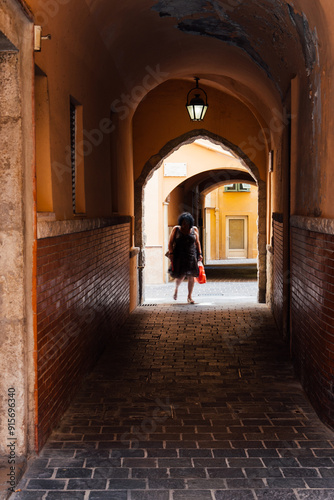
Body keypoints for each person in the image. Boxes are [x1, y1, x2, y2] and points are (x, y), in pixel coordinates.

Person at [167, 212, 203, 304]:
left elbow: (197, 242)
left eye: (186, 223)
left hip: (191, 255)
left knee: (191, 275)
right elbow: (170, 242)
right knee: (181, 275)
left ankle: (189, 296)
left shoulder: (194, 230)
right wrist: (171, 253)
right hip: (179, 255)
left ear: (190, 223)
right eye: (183, 222)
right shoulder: (176, 229)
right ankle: (176, 289)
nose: (184, 225)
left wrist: (199, 253)